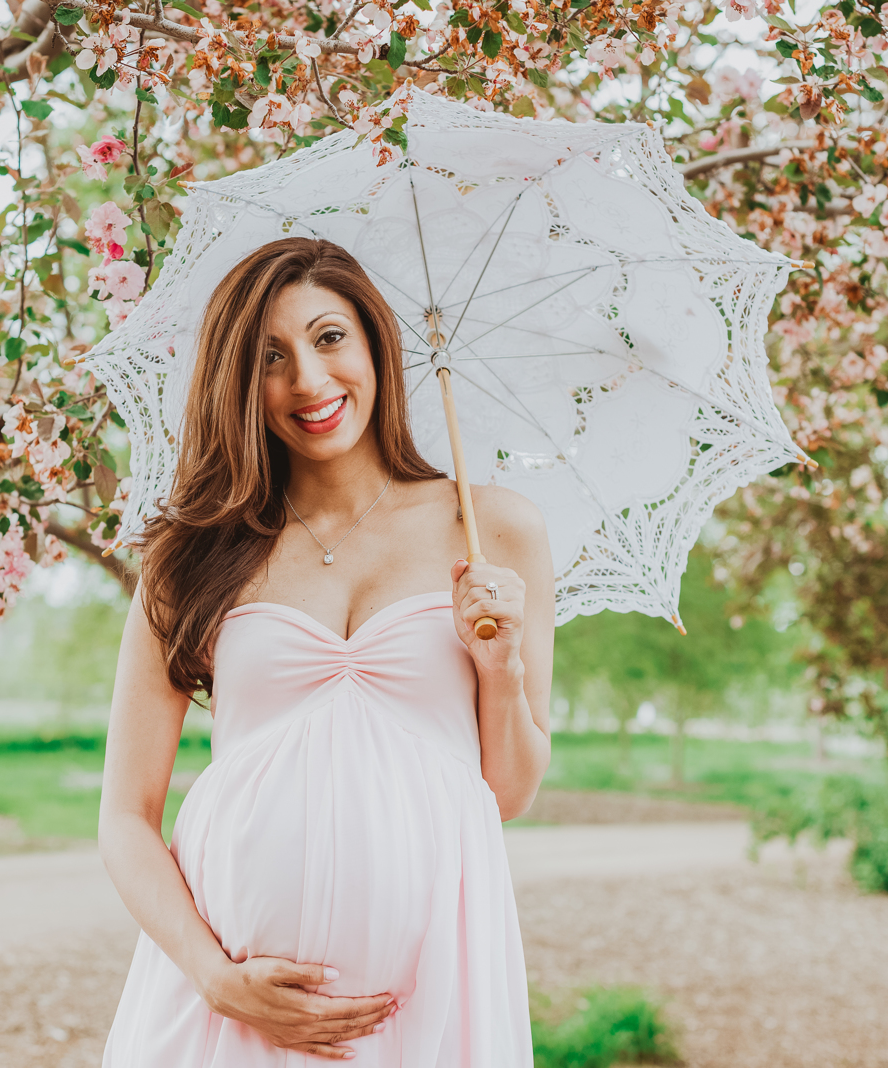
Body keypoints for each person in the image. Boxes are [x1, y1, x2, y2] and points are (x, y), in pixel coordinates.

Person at [98, 236, 555, 1065]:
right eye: (271, 357)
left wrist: (502, 667)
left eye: (329, 337)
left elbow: (510, 792)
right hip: (231, 1001)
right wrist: (213, 976)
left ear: (375, 342)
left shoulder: (494, 532)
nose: (308, 381)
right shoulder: (191, 555)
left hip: (431, 990)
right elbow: (125, 818)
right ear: (237, 383)